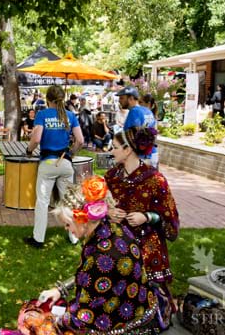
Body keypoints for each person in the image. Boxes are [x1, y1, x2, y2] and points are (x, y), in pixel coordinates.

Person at [27, 177, 164, 334]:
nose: (66, 228)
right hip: (140, 310)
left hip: (125, 328)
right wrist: (61, 289)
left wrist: (49, 320)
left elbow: (82, 319)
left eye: (67, 223)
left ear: (82, 220)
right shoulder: (114, 229)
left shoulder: (102, 258)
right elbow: (88, 278)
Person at [106, 127, 179, 328]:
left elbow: (170, 217)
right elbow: (98, 206)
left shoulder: (155, 180)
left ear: (127, 149)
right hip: (118, 242)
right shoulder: (111, 177)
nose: (111, 151)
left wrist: (146, 216)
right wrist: (109, 212)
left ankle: (149, 318)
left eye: (114, 147)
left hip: (147, 244)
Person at [24, 85, 83, 248]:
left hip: (48, 163)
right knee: (67, 202)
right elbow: (80, 140)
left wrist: (29, 151)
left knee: (42, 202)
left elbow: (36, 139)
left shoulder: (42, 114)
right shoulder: (70, 115)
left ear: (47, 99)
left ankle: (38, 239)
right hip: (65, 163)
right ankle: (74, 237)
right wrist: (71, 153)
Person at [118, 86, 159, 168]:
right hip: (152, 154)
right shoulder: (147, 110)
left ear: (131, 98)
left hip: (140, 157)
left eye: (122, 98)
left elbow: (131, 136)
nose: (119, 101)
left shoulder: (134, 111)